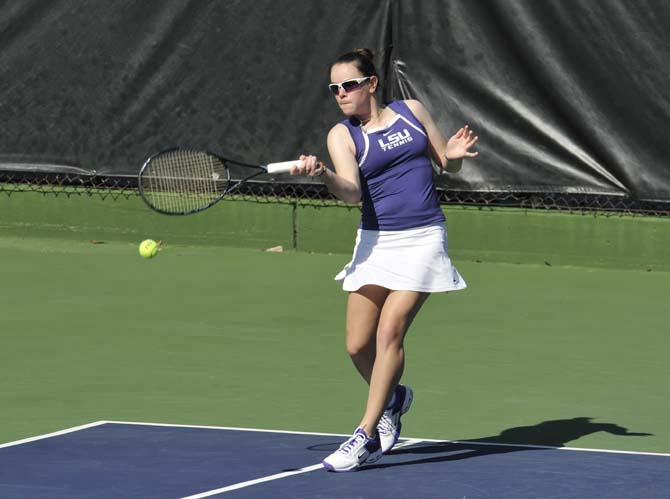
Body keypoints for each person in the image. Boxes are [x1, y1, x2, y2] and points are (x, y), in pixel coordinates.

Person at [290, 48, 479, 472]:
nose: (341, 94)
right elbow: (353, 193)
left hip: (424, 237)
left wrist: (454, 156)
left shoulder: (411, 110)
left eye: (349, 85)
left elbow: (445, 165)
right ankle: (395, 398)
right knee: (357, 345)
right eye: (334, 89)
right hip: (377, 242)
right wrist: (323, 174)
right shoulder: (342, 136)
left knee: (390, 331)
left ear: (371, 83)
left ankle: (364, 435)